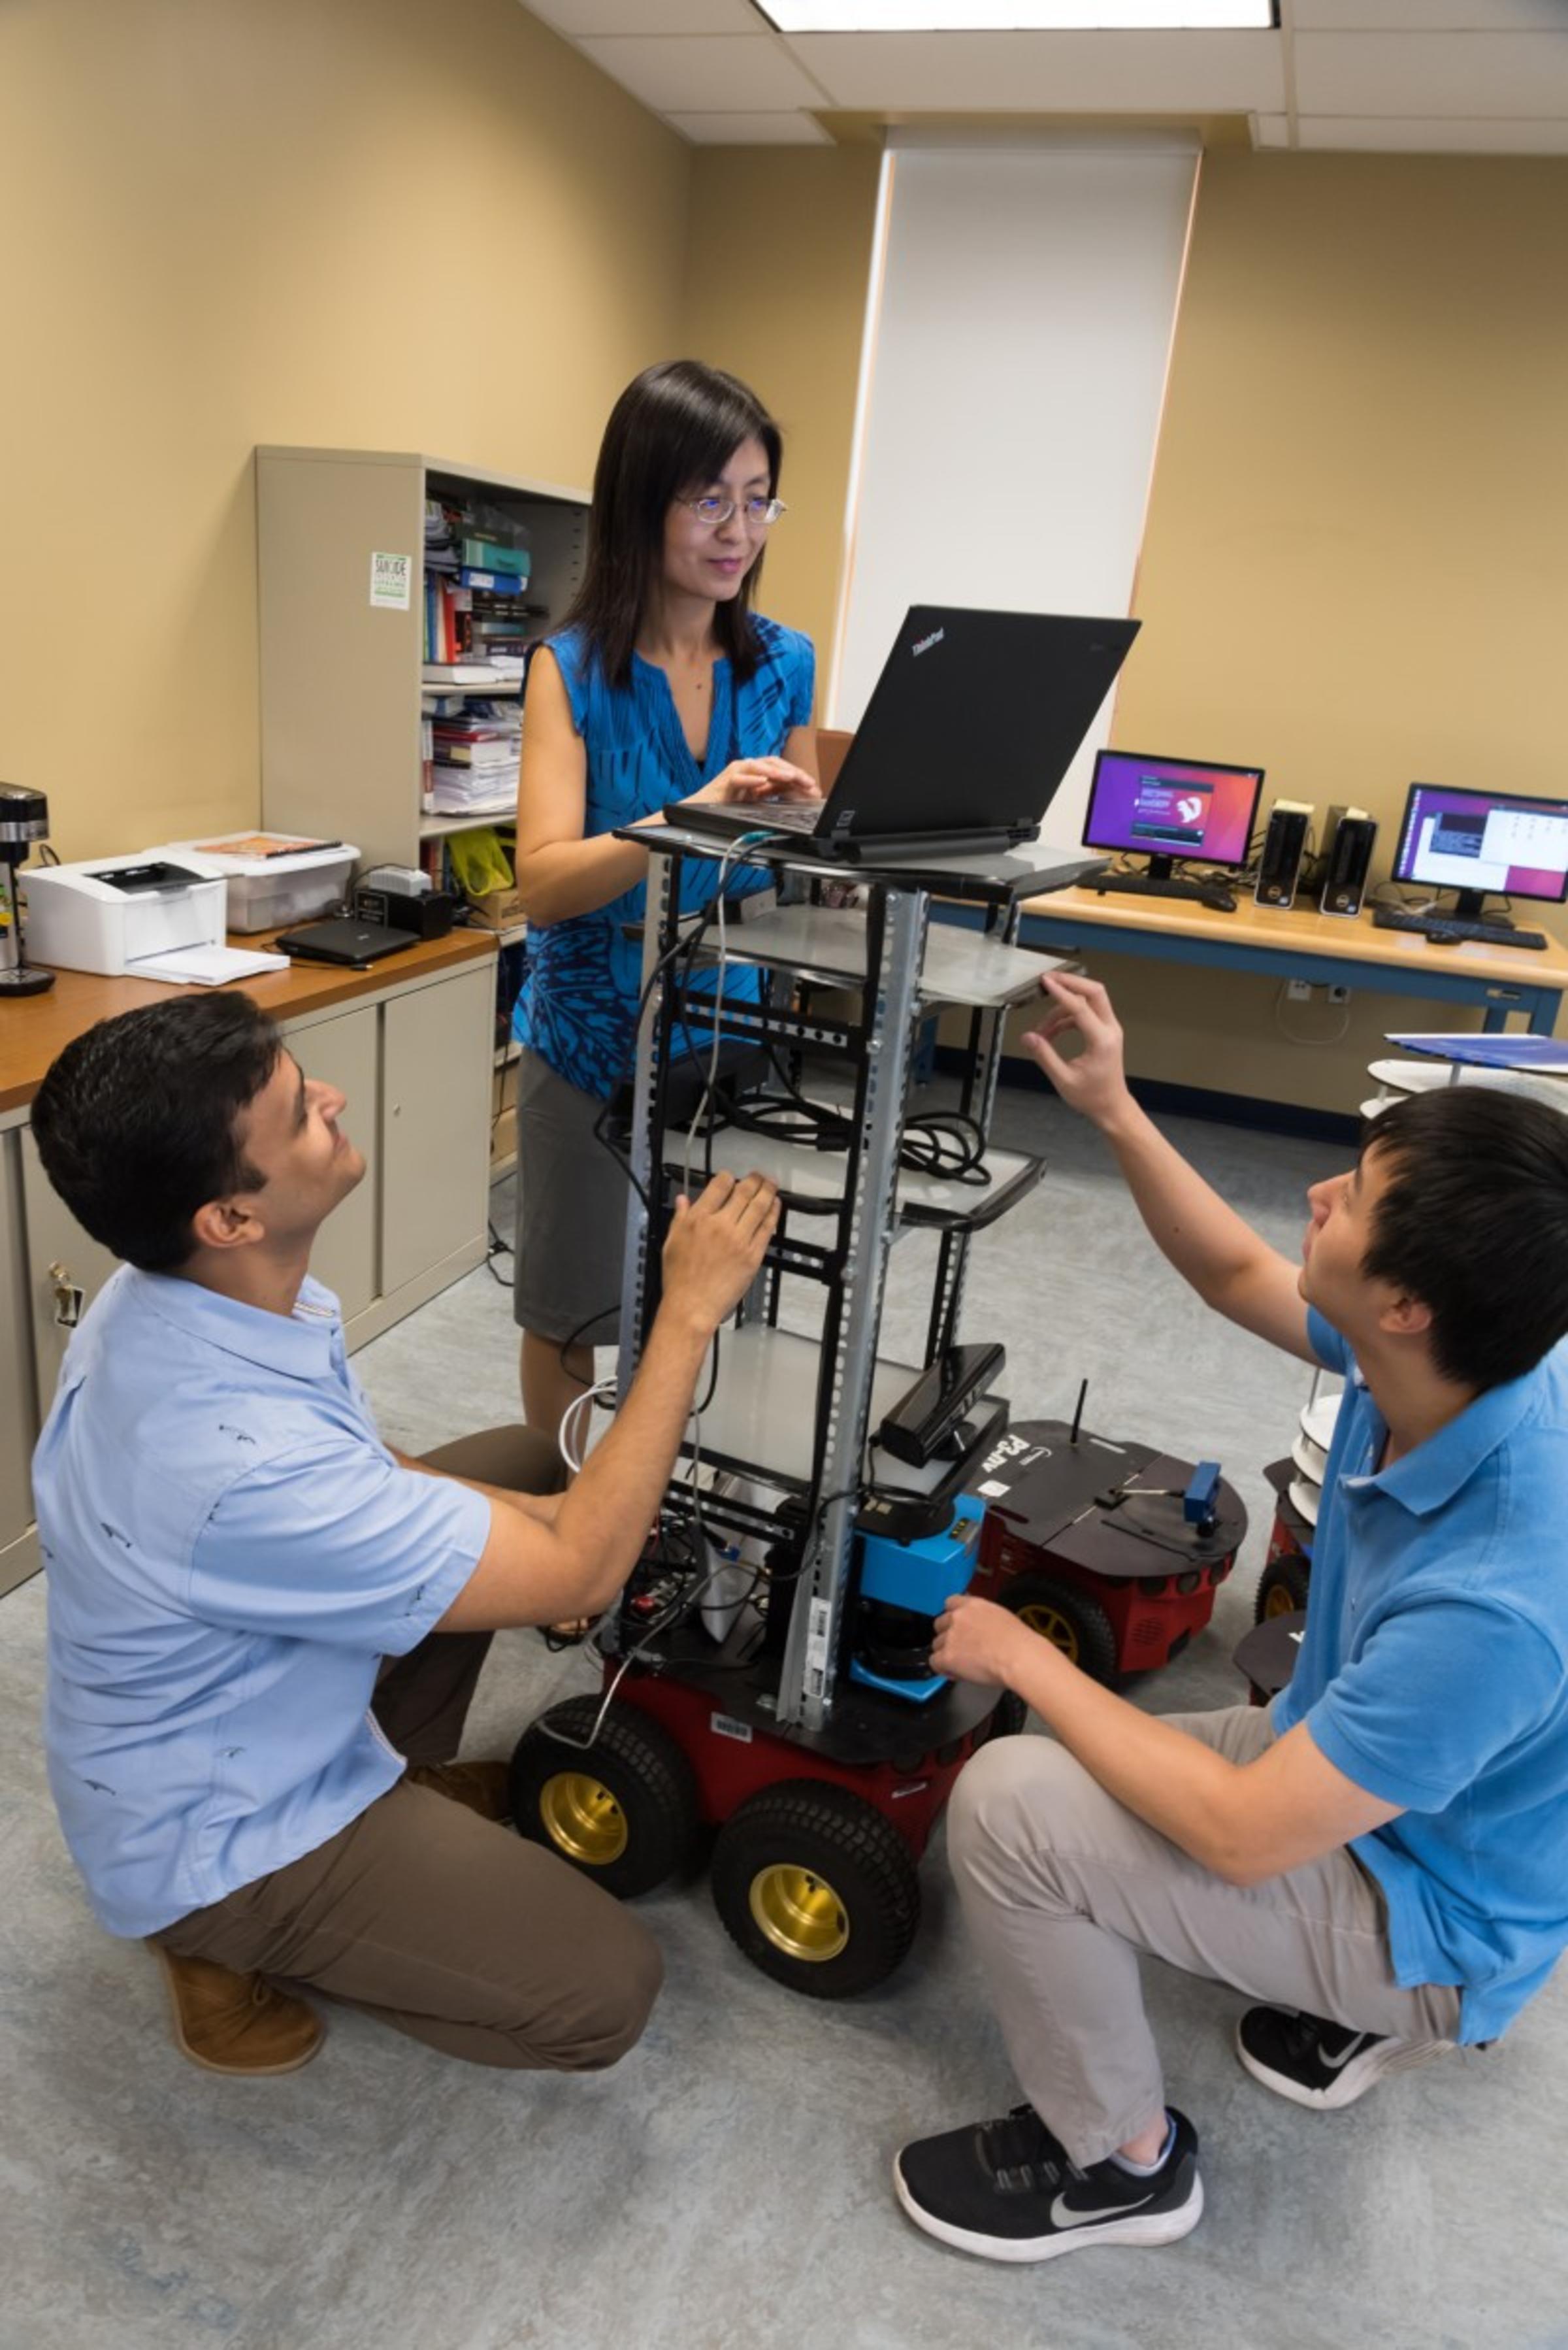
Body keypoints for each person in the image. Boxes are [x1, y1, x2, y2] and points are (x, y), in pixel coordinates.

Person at [893, 970, 1568, 2265]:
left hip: (1439, 1911)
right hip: (1406, 1788)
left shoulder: (1497, 1593)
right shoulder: (1463, 1353)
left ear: (1410, 1303)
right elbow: (1235, 1271)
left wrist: (1026, 1650)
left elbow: (1249, 1839)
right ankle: (1351, 2000)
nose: (1318, 1196)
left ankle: (1121, 2164)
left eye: (1353, 1199)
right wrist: (1114, 1105)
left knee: (1013, 1806)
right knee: (1139, 1770)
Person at [29, 989, 779, 2077]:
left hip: (228, 1698)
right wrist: (687, 1314)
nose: (329, 1099)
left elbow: (358, 1468)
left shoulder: (179, 1292)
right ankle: (218, 1940)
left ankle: (394, 1788)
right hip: (217, 1836)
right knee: (607, 1991)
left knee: (527, 1473)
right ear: (229, 1217)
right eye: (296, 1112)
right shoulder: (235, 1465)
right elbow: (588, 1566)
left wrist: (544, 1527)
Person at [510, 357, 818, 1453]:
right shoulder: (573, 668)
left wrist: (809, 824)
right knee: (573, 1311)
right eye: (709, 500)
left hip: (732, 1034)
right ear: (642, 502)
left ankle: (669, 1499)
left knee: (701, 1306)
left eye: (757, 499)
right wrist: (687, 816)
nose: (739, 530)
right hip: (591, 1042)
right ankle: (567, 1523)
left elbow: (782, 863)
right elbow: (540, 881)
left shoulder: (783, 664)